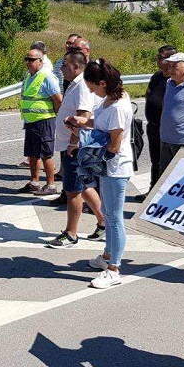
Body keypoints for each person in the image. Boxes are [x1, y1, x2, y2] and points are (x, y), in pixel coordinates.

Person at [66, 59, 134, 288]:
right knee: (107, 211)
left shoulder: (118, 107)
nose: (92, 92)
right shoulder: (109, 100)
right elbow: (100, 124)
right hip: (106, 167)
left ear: (103, 83)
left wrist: (83, 145)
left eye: (93, 88)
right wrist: (83, 122)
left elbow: (113, 145)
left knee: (114, 218)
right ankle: (107, 256)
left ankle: (114, 268)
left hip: (115, 168)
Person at [47, 50, 106, 248]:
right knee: (85, 185)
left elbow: (83, 115)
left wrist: (73, 142)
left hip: (76, 147)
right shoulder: (75, 84)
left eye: (64, 65)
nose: (61, 69)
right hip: (71, 145)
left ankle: (71, 233)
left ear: (75, 66)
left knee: (72, 191)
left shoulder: (81, 86)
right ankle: (103, 221)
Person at [19, 46, 63, 196]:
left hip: (44, 120)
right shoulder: (28, 76)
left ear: (40, 61)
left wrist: (55, 116)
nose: (28, 62)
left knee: (45, 153)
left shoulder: (47, 77)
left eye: (31, 60)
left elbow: (58, 99)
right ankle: (34, 182)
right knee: (32, 153)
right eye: (27, 59)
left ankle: (51, 184)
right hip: (31, 121)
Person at [144, 45, 177, 189]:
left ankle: (164, 191)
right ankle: (152, 189)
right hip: (153, 125)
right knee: (155, 160)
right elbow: (148, 93)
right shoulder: (157, 76)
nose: (157, 60)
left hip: (168, 129)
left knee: (167, 162)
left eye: (160, 57)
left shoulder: (176, 80)